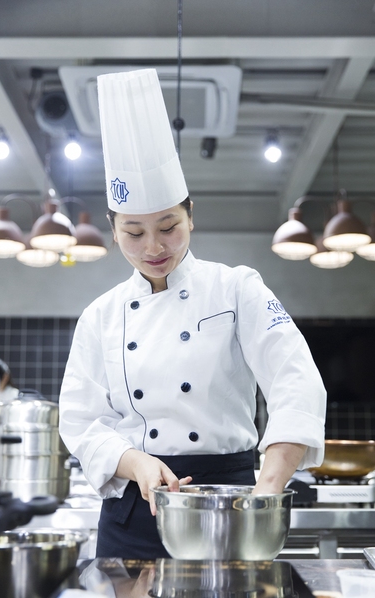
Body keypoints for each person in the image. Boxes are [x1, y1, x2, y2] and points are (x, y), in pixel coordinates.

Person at [59, 69, 326, 559]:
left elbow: (296, 378)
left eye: (168, 227)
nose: (153, 247)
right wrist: (134, 461)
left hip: (229, 504)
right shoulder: (100, 316)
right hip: (133, 510)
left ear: (191, 216)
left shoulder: (237, 288)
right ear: (113, 231)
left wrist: (268, 488)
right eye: (133, 233)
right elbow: (80, 420)